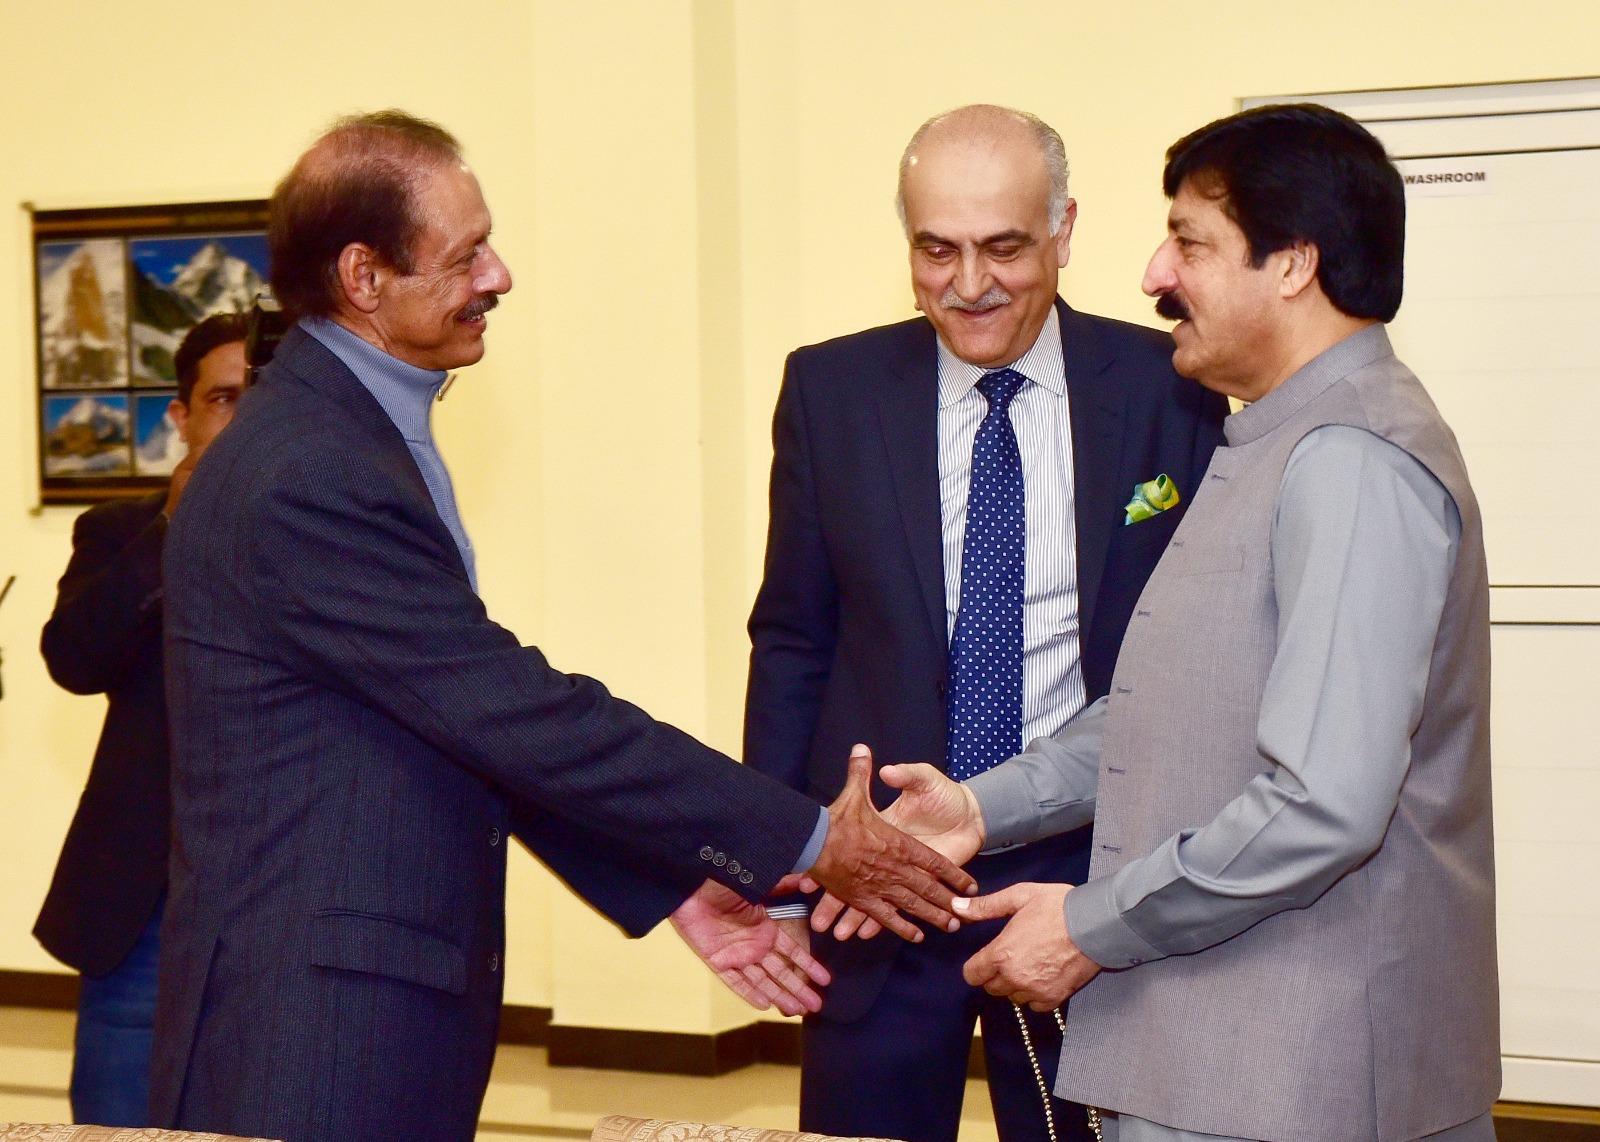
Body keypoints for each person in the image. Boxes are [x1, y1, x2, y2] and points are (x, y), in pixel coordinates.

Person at [149, 110, 974, 1142]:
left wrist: (674, 882)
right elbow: (512, 710)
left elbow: (454, 722)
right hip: (312, 1025)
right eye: (466, 254)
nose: (498, 275)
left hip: (351, 1003)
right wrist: (808, 837)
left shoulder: (348, 435)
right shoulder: (310, 470)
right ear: (364, 276)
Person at [842, 104, 1499, 1142]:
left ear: (1293, 265)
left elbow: (1323, 806)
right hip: (1228, 1053)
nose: (1155, 272)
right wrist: (978, 808)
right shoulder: (1278, 441)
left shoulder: (1351, 461)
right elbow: (1173, 704)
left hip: (1298, 1071)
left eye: (1189, 242)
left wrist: (1087, 924)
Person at [743, 104, 1226, 1142]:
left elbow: (1200, 660)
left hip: (1085, 878)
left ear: (1063, 231)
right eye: (936, 250)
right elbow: (791, 638)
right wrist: (779, 874)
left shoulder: (1169, 389)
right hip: (876, 884)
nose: (969, 284)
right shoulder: (831, 390)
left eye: (1003, 247)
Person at [36, 313, 249, 1126]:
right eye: (224, 398)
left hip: (282, 893)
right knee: (118, 1123)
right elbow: (75, 659)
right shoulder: (120, 531)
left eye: (264, 400)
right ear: (181, 416)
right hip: (143, 897)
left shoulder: (330, 537)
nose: (245, 420)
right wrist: (171, 530)